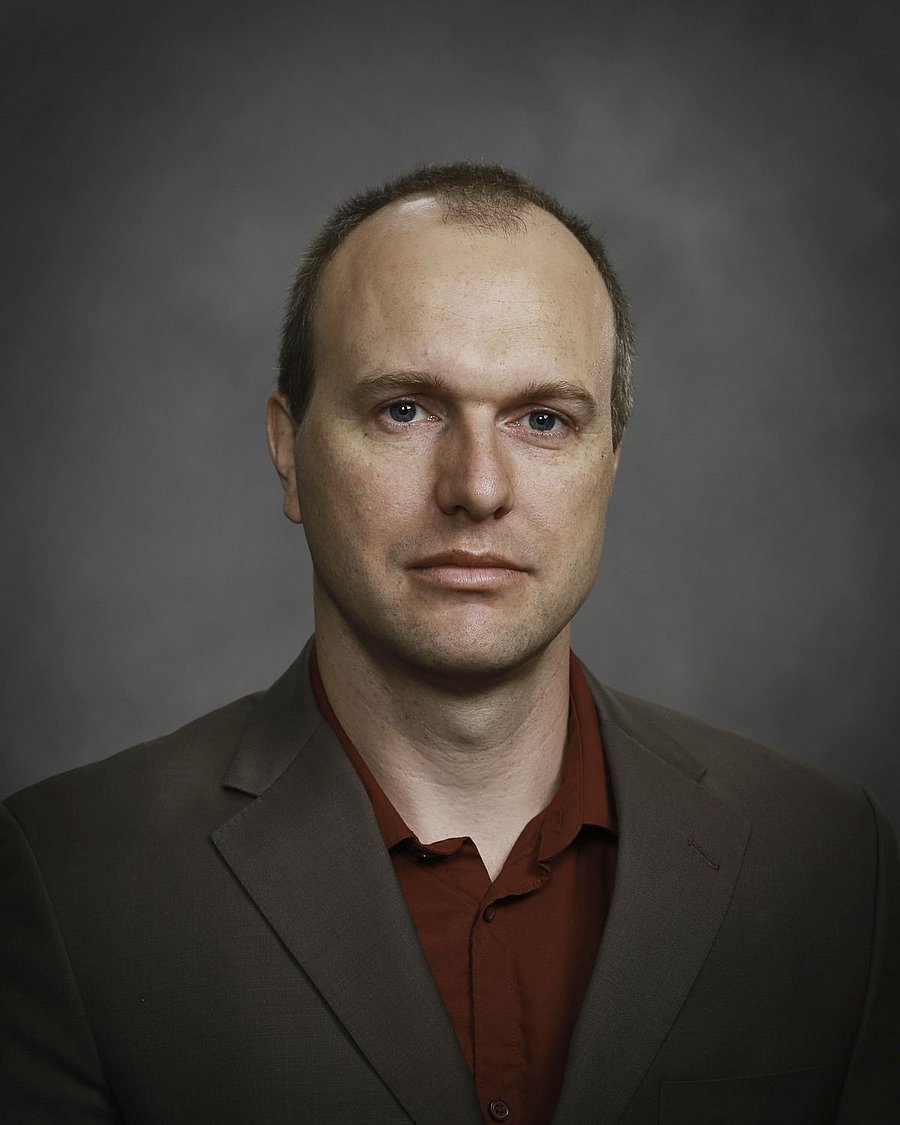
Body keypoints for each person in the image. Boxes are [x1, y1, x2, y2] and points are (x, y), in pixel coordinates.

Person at [1, 163, 897, 1125]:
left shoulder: (833, 864)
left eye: (542, 418)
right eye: (405, 409)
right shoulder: (68, 885)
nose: (476, 485)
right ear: (288, 452)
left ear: (611, 463)